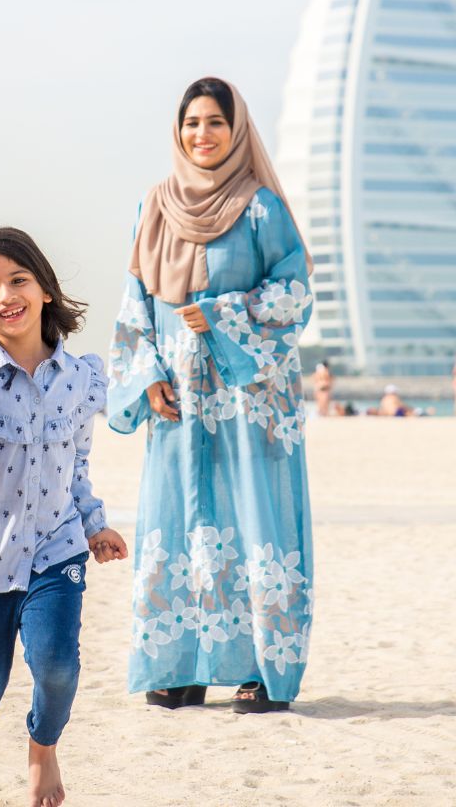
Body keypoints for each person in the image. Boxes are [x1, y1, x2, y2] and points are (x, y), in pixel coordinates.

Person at [108, 77, 314, 715]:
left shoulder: (260, 209)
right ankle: (183, 665)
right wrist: (147, 376)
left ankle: (259, 670)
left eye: (215, 123)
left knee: (251, 518)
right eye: (192, 123)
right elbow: (135, 300)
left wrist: (222, 313)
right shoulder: (154, 206)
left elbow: (295, 292)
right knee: (179, 519)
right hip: (176, 399)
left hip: (247, 396)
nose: (202, 135)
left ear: (237, 130)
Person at [0, 228, 127, 807]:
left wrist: (93, 524)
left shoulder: (81, 377)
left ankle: (43, 746)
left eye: (19, 280)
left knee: (57, 667)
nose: (6, 295)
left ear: (45, 291)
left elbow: (77, 463)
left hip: (55, 552)